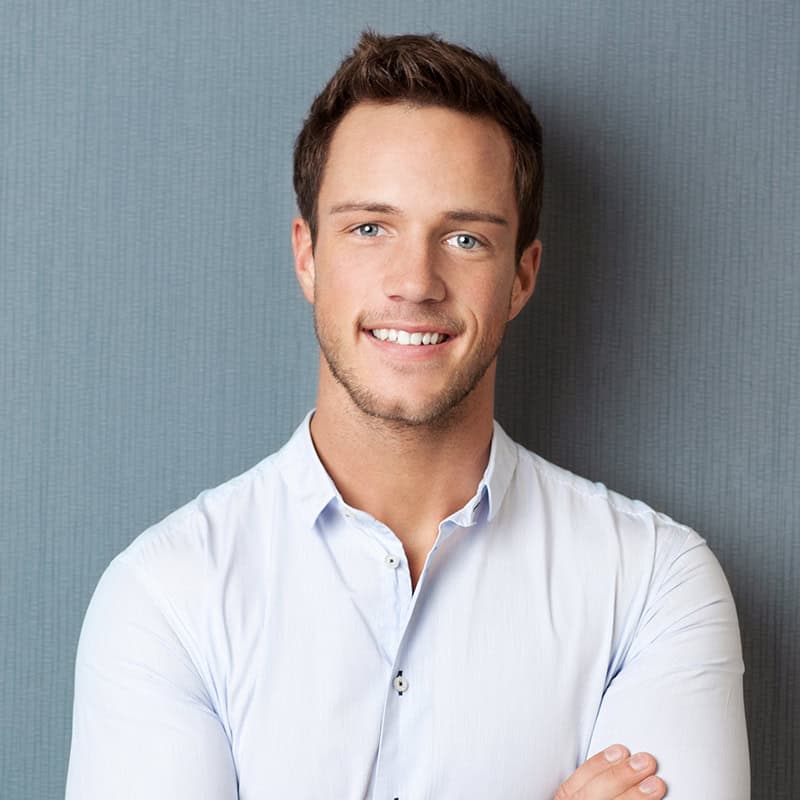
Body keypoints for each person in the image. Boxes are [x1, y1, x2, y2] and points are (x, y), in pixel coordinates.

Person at [65, 31, 749, 799]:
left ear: (522, 276)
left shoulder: (653, 585)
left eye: (464, 238)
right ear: (307, 257)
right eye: (369, 228)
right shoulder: (167, 596)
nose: (415, 283)